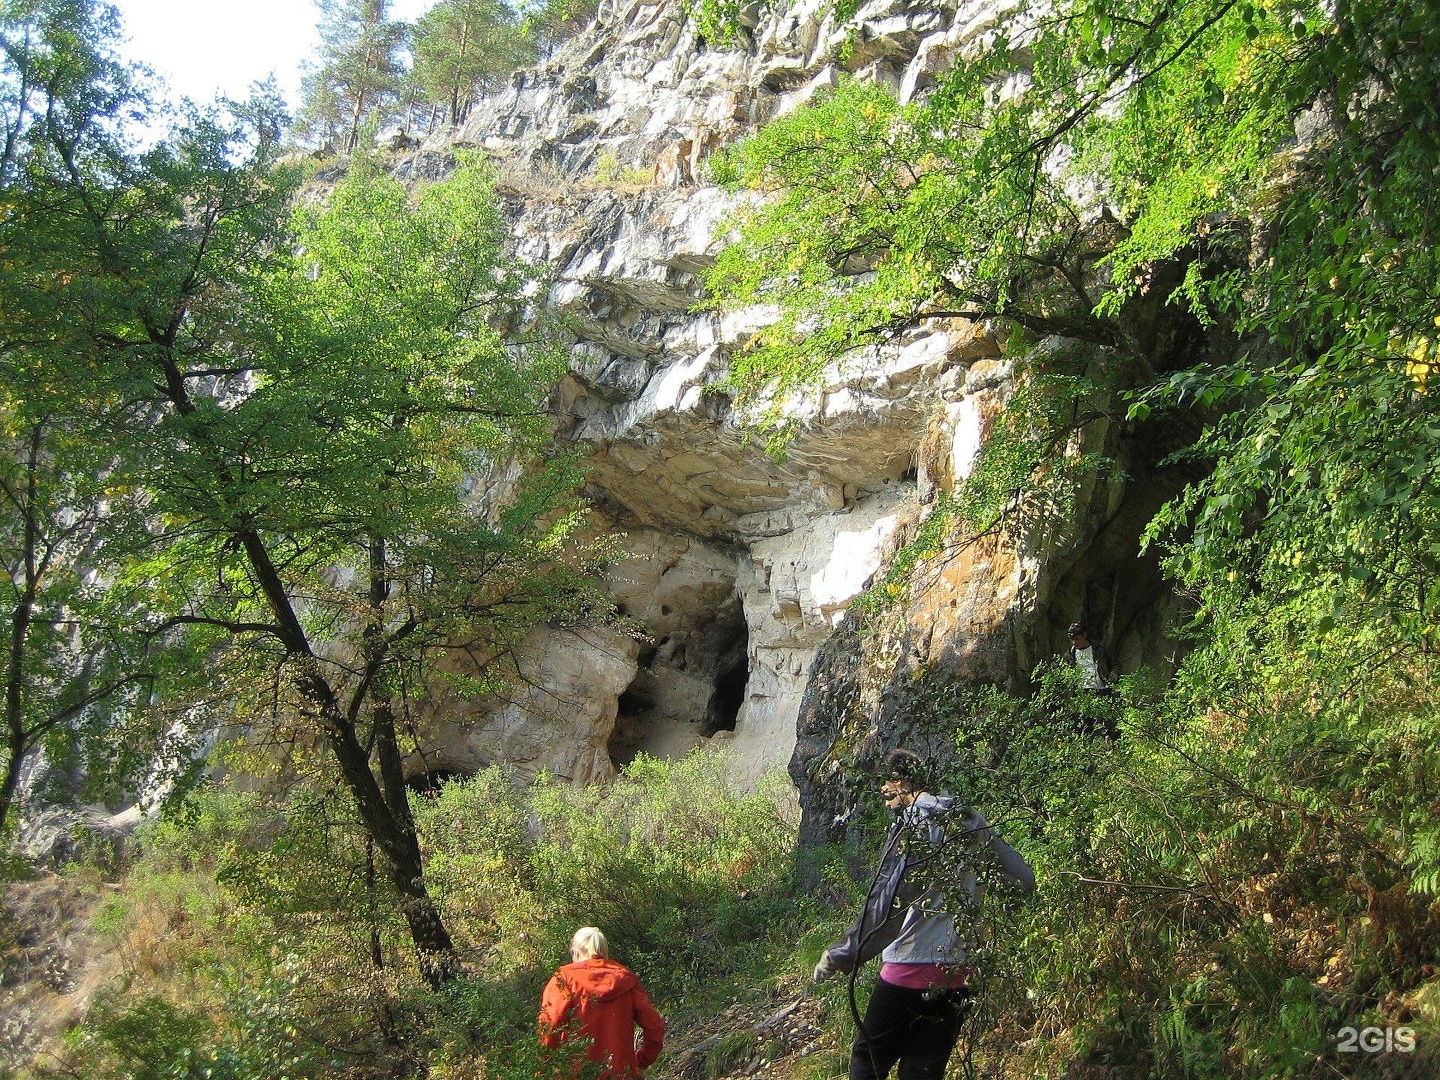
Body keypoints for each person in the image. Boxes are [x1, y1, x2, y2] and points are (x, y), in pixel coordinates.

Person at [813, 749, 1035, 1080]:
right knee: (922, 1071)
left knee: (867, 1061)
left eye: (883, 785)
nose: (882, 794)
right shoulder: (970, 819)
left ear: (899, 782)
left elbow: (887, 907)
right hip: (958, 972)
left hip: (908, 967)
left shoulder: (913, 825)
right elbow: (1024, 880)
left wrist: (843, 955)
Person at [538, 926, 666, 1079]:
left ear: (575, 951)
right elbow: (655, 1027)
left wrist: (543, 1067)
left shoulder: (564, 981)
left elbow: (549, 1027)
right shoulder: (626, 980)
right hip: (621, 1074)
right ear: (605, 951)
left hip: (575, 1074)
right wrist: (642, 1062)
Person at [1064, 622, 1114, 692]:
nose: (1074, 642)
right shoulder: (1070, 654)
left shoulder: (1099, 649)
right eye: (1072, 640)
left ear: (1084, 635)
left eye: (1077, 639)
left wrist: (1114, 674)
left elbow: (1115, 664)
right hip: (1081, 693)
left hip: (1101, 689)